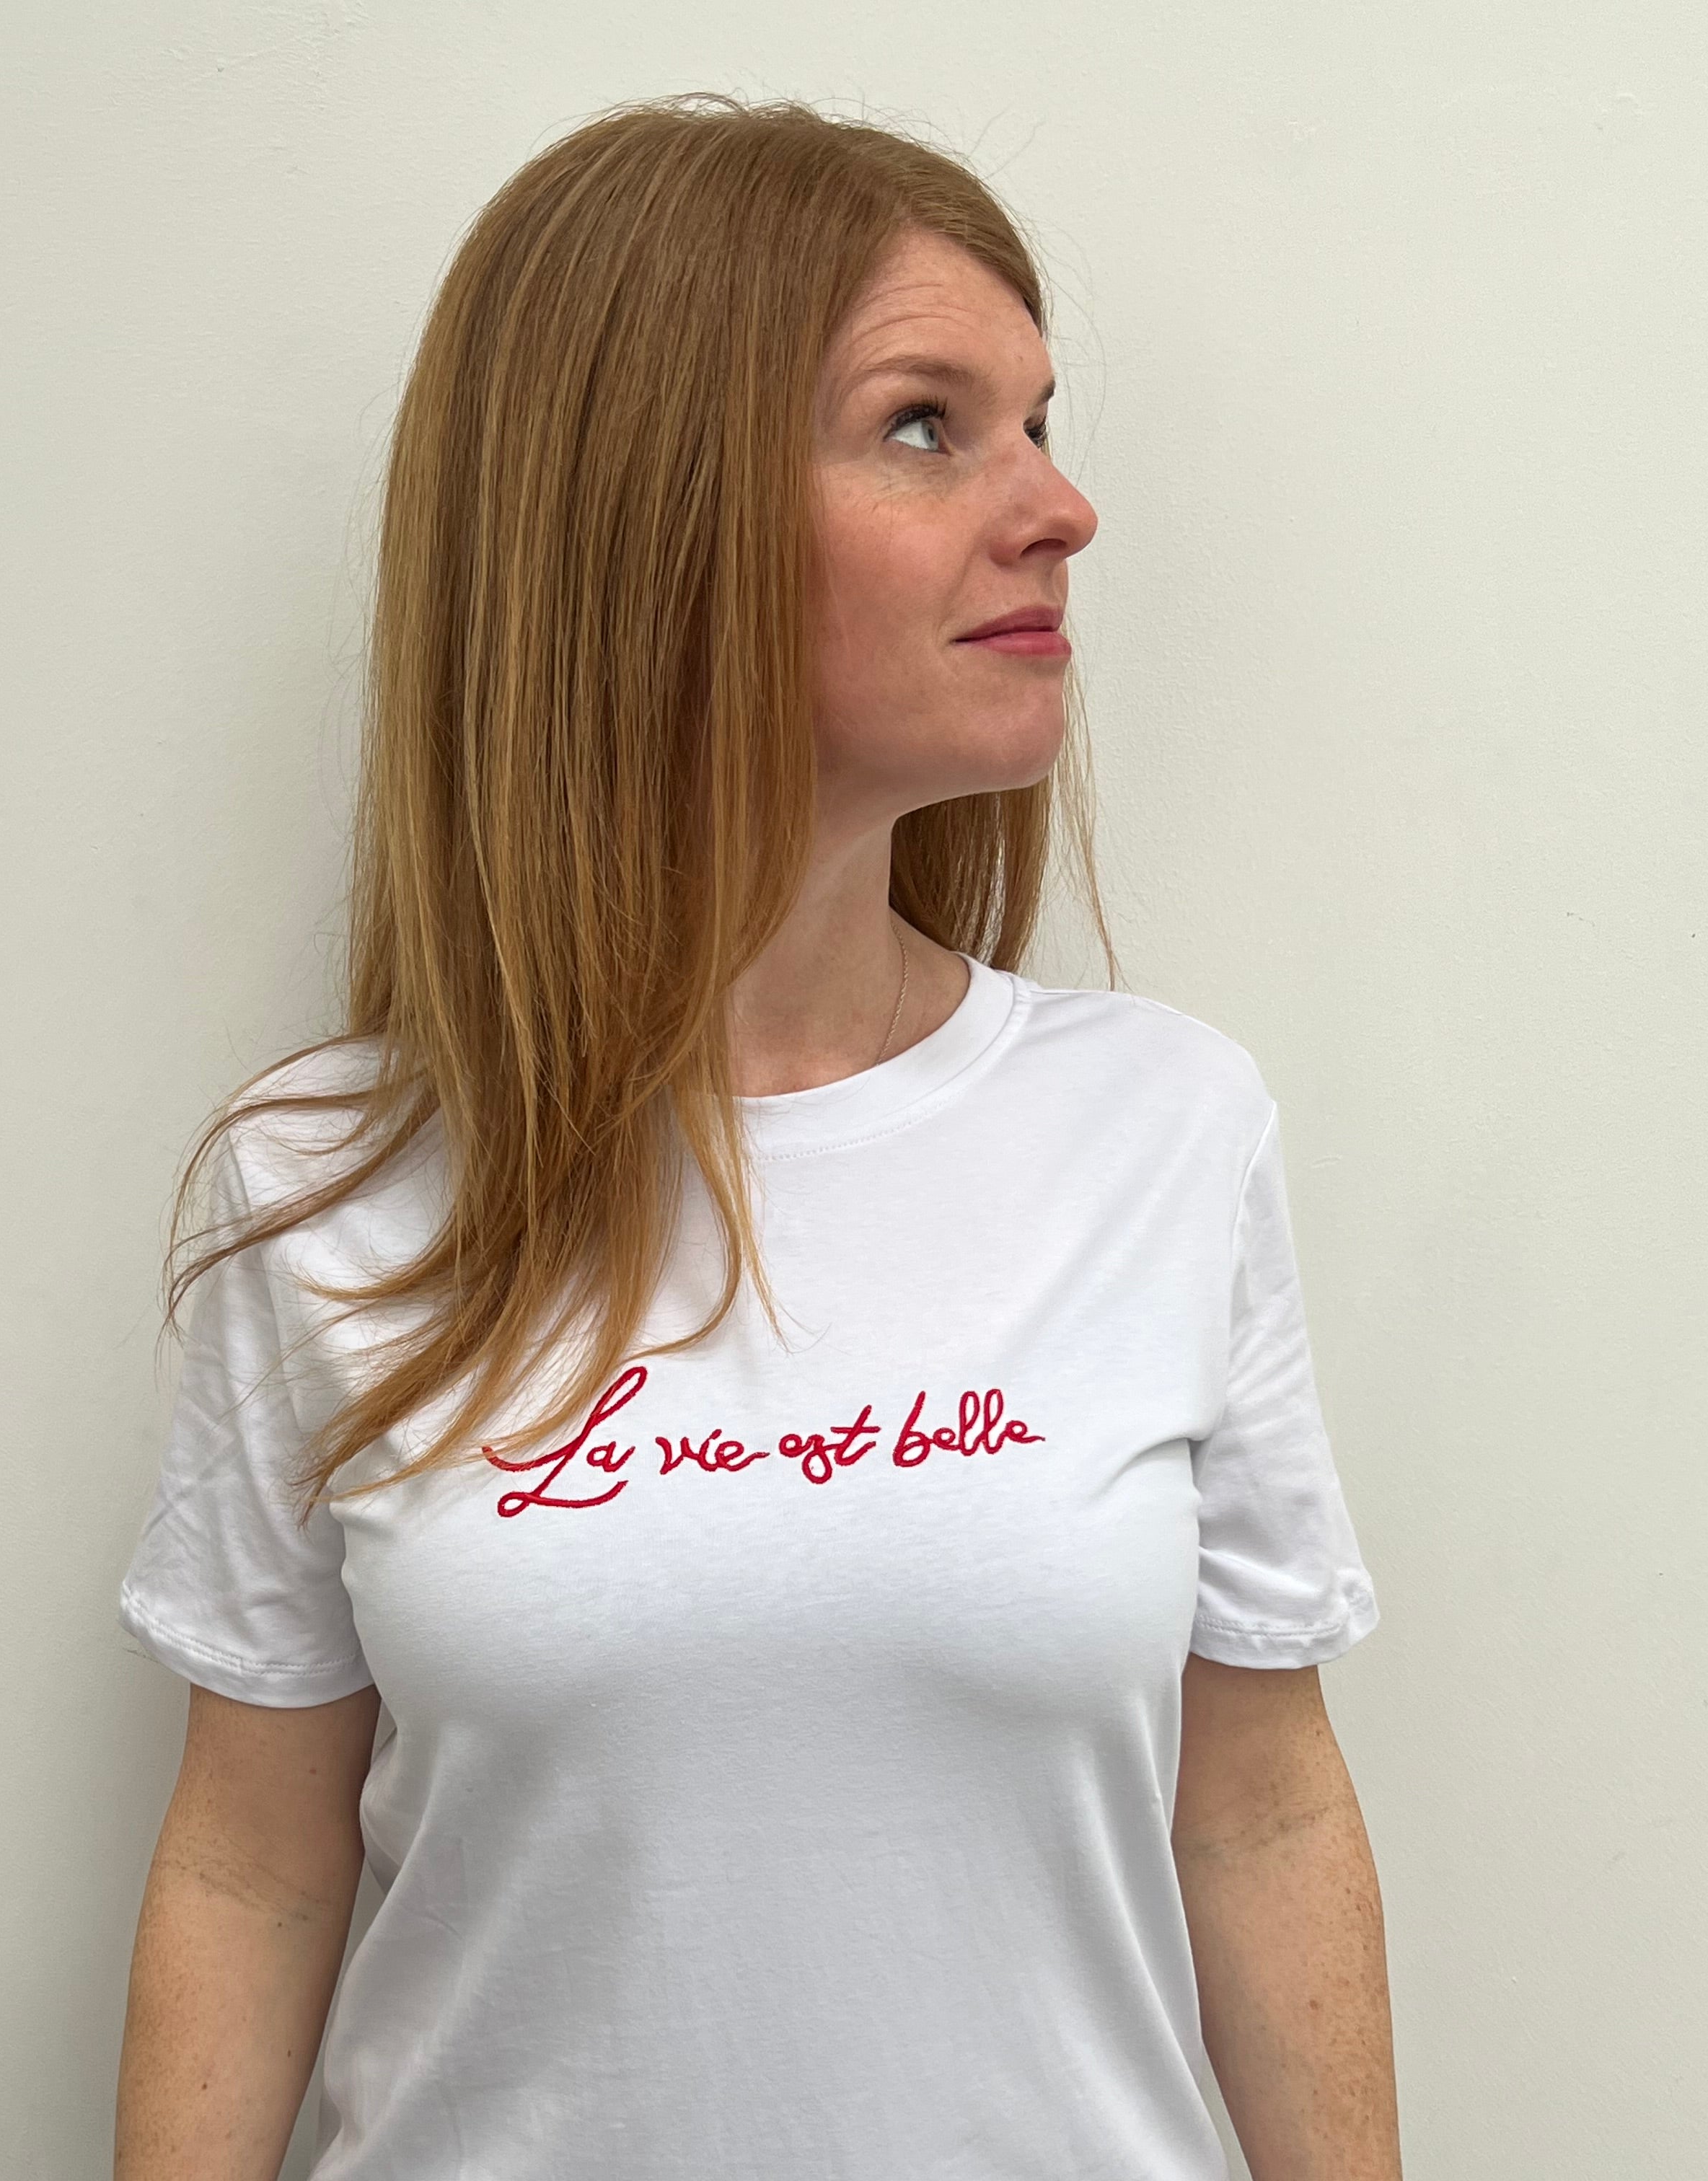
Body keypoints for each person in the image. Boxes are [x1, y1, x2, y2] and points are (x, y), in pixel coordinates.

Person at [111, 92, 1399, 2181]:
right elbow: (251, 1871)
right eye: (927, 425)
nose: (1061, 507)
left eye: (1041, 422)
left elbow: (1256, 1814)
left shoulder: (1164, 1129)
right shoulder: (327, 1185)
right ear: (651, 518)